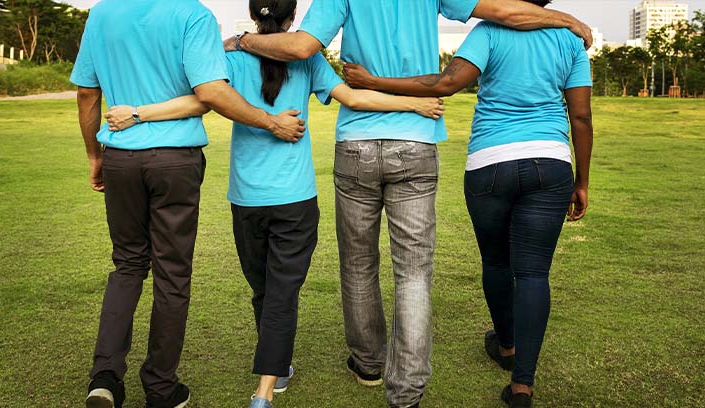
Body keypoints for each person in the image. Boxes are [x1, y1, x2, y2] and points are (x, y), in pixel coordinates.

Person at [225, 1, 593, 407]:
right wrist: (566, 18)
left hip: (356, 143)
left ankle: (368, 363)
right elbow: (508, 13)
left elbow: (300, 48)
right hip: (416, 141)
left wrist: (242, 39)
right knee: (414, 272)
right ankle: (407, 389)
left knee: (358, 263)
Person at [102, 1, 443, 407]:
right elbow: (353, 98)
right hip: (295, 198)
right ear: (292, 19)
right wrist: (415, 103)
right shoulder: (310, 60)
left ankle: (274, 374)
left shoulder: (230, 57)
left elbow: (203, 97)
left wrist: (139, 111)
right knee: (280, 293)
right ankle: (269, 380)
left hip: (246, 199)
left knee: (264, 289)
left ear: (253, 14)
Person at [343, 1, 593, 407]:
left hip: (490, 163)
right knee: (532, 274)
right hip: (551, 161)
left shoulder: (489, 32)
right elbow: (580, 116)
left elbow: (445, 83)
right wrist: (581, 180)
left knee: (496, 262)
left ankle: (507, 345)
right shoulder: (570, 40)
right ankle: (522, 385)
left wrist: (375, 80)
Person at [71, 1, 306, 407]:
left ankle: (105, 377)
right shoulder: (192, 15)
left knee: (127, 265)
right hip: (174, 160)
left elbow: (88, 93)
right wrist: (271, 122)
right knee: (171, 274)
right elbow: (211, 92)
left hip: (120, 158)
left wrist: (95, 155)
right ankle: (162, 388)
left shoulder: (101, 13)